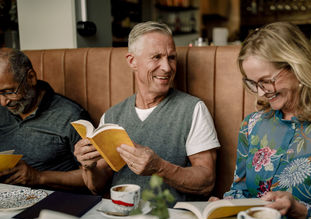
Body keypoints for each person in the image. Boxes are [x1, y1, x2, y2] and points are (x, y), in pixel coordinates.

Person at [213, 22, 311, 219]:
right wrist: (222, 206)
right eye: (253, 83)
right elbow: (239, 192)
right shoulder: (252, 125)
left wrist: (297, 209)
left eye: (266, 81)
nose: (260, 93)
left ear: (297, 67)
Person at [74, 21, 220, 203]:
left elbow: (207, 181)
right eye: (156, 57)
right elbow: (96, 186)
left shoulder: (193, 109)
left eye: (171, 57)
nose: (167, 67)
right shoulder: (112, 116)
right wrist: (89, 167)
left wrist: (159, 167)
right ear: (132, 61)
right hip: (120, 216)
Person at [0, 48, 91, 191]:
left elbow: (93, 178)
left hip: (53, 201)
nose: (3, 103)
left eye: (9, 92)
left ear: (30, 77)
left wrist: (39, 177)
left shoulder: (70, 115)